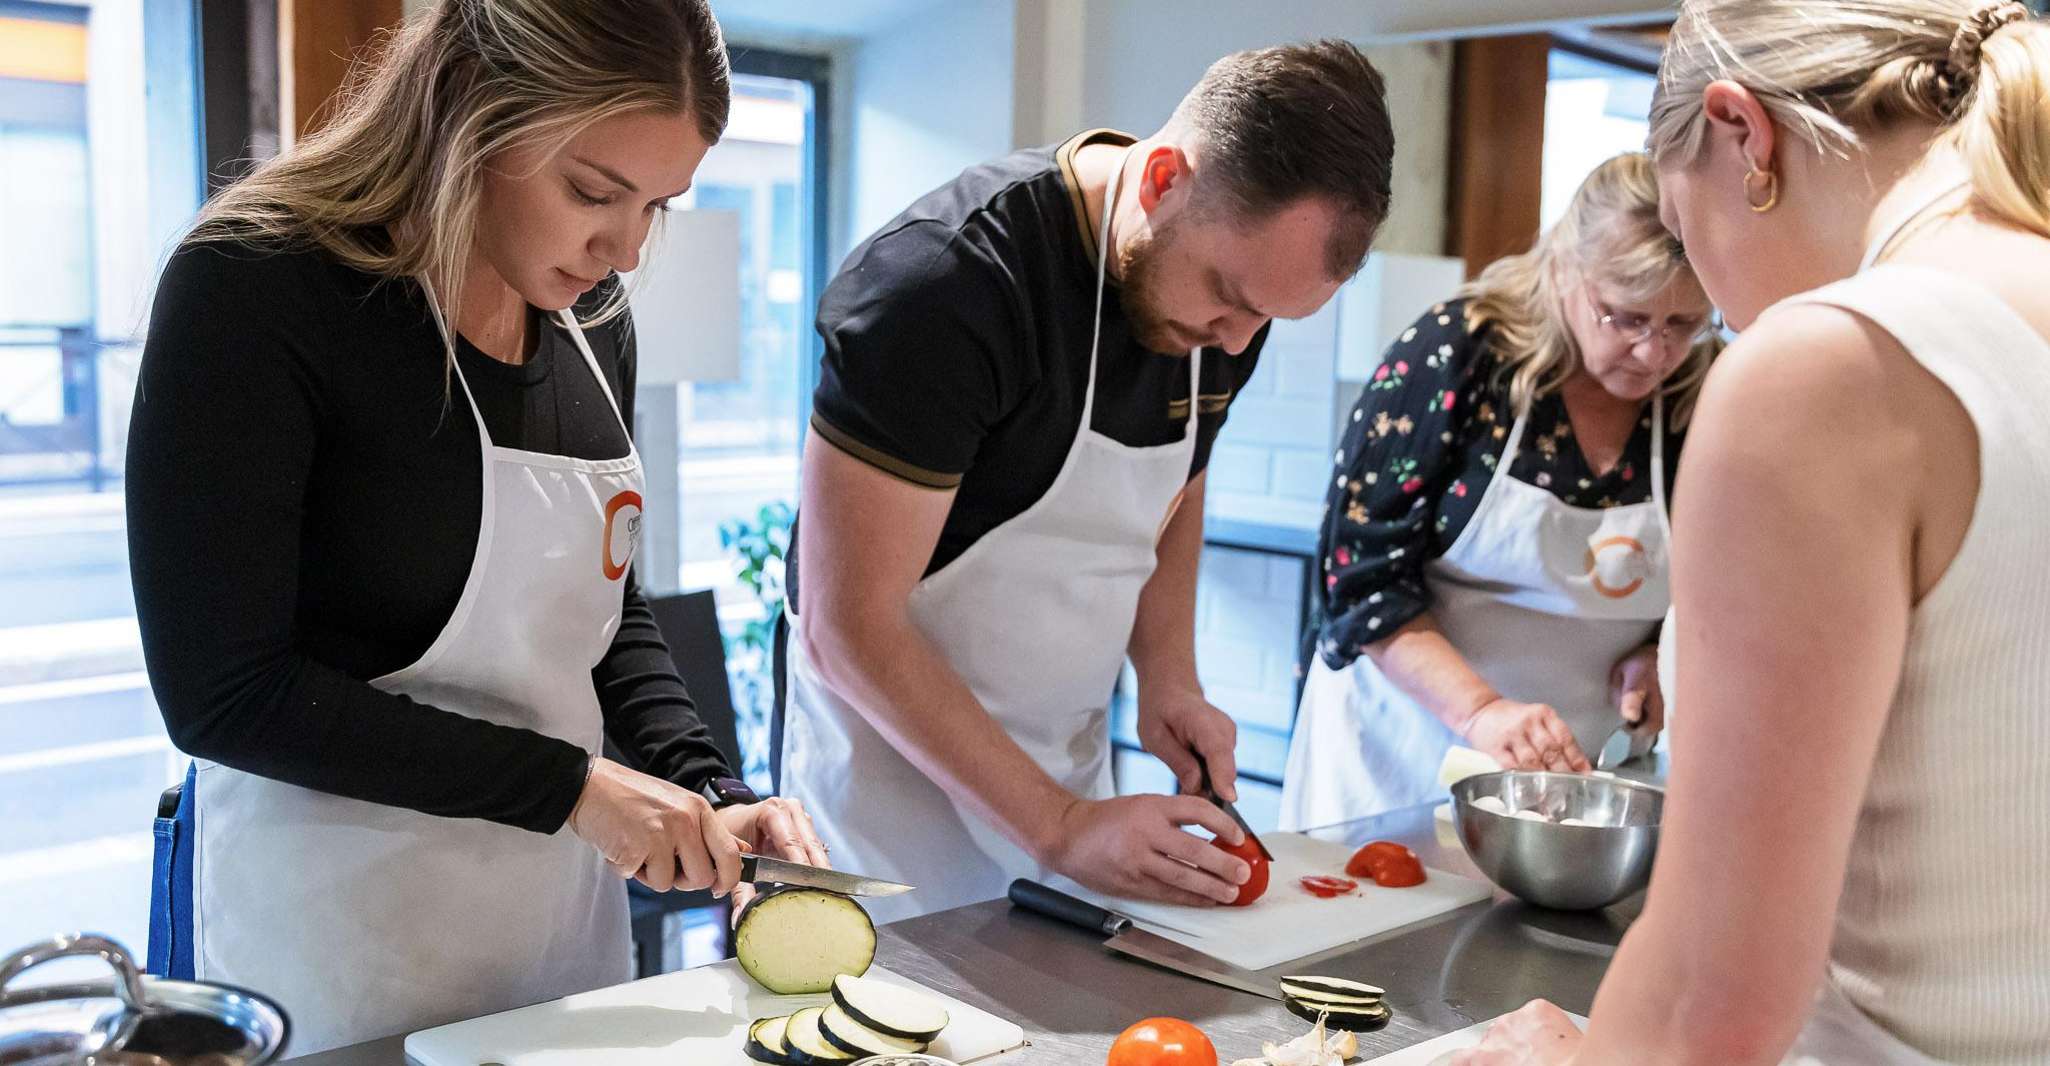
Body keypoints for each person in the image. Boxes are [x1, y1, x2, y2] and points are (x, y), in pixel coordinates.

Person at [128, 1, 825, 1054]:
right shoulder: (259, 287)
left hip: (556, 942)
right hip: (334, 950)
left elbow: (603, 611)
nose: (625, 248)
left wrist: (707, 785)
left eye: (659, 206)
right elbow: (224, 693)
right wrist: (575, 787)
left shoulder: (594, 321)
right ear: (468, 111)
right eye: (594, 192)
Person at [1455, 2, 2050, 1064]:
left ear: (1744, 135)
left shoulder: (1826, 367)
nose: (1714, 319)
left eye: (1689, 240)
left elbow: (1711, 1008)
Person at [779, 41, 1397, 921]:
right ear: (1163, 180)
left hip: (1062, 788)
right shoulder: (943, 288)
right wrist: (1059, 825)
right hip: (882, 803)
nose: (1234, 341)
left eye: (1262, 317)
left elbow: (1179, 485)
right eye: (1227, 294)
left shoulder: (1223, 316)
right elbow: (848, 630)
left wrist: (1170, 677)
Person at [1279, 153, 1718, 829]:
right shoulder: (1459, 353)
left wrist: (1659, 652)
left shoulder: (1704, 389)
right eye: (1625, 318)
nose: (1654, 353)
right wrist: (1479, 711)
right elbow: (1358, 580)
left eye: (1682, 324)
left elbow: (1722, 572)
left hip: (1583, 770)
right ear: (1567, 270)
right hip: (1404, 749)